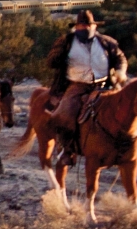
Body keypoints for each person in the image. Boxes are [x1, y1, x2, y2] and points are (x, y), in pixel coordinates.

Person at [48, 9, 127, 155]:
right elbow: (51, 62)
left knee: (126, 111)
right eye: (82, 26)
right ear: (77, 27)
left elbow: (120, 58)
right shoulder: (66, 42)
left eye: (89, 25)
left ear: (95, 26)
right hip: (77, 86)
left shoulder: (107, 42)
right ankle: (67, 148)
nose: (86, 28)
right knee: (64, 114)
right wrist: (59, 56)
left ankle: (124, 148)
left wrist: (120, 72)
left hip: (105, 86)